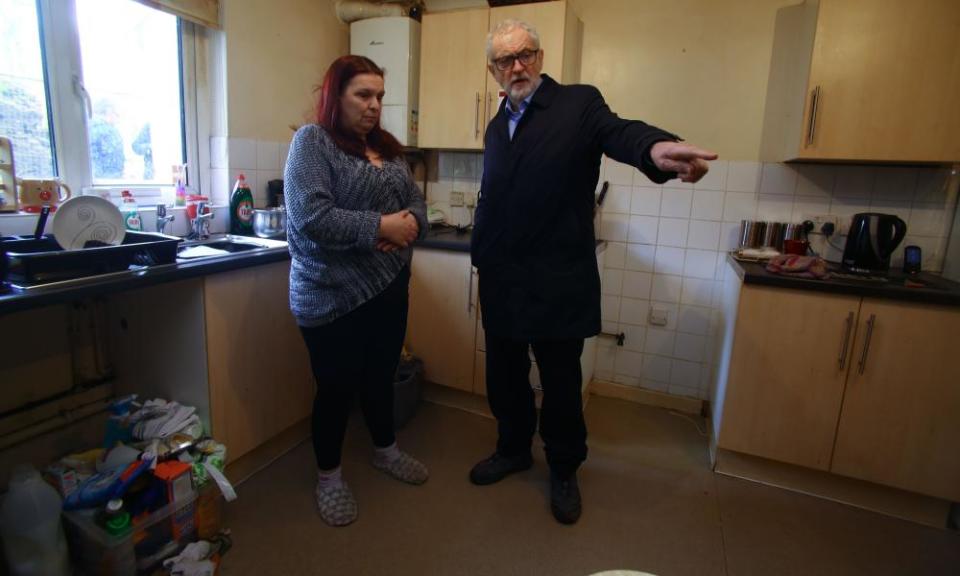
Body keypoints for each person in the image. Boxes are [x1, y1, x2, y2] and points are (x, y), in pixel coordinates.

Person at [469, 19, 718, 525]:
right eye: (504, 60)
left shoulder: (578, 104)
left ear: (539, 57)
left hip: (559, 278)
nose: (516, 66)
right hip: (503, 278)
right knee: (505, 377)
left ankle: (563, 469)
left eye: (525, 54)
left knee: (561, 386)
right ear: (493, 72)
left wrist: (656, 149)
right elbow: (497, 196)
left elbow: (619, 133)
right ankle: (514, 447)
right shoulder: (497, 126)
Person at [284, 55, 430, 527]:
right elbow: (311, 216)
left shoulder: (386, 148)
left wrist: (410, 224)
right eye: (363, 95)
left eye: (379, 97)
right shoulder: (312, 143)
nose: (374, 106)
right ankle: (329, 477)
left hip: (389, 284)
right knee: (336, 387)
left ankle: (384, 451)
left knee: (381, 375)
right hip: (331, 293)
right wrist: (381, 225)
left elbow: (417, 203)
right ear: (335, 95)